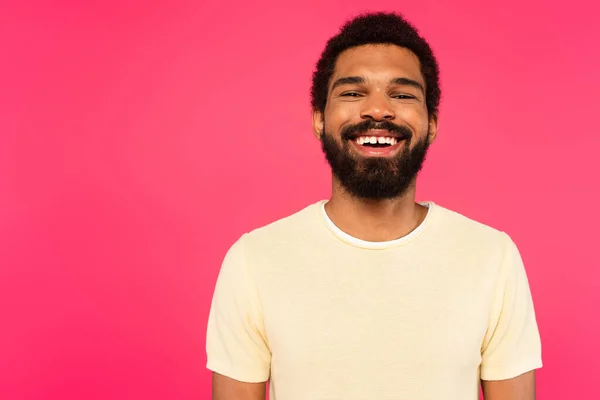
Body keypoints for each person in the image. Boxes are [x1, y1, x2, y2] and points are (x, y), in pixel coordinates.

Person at [205, 11, 543, 400]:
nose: (378, 110)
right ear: (319, 118)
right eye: (352, 92)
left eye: (401, 94)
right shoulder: (254, 259)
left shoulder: (492, 257)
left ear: (432, 122)